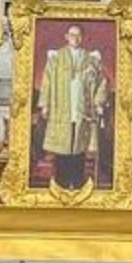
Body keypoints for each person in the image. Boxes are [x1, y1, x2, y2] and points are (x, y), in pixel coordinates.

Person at [37, 24, 108, 188]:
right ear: (66, 36)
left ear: (82, 38)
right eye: (71, 35)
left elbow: (102, 82)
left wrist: (98, 102)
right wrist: (45, 104)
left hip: (82, 107)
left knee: (79, 146)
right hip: (61, 107)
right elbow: (47, 81)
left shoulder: (91, 58)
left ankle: (76, 182)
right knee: (63, 146)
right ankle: (62, 181)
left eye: (78, 35)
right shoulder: (56, 58)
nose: (74, 38)